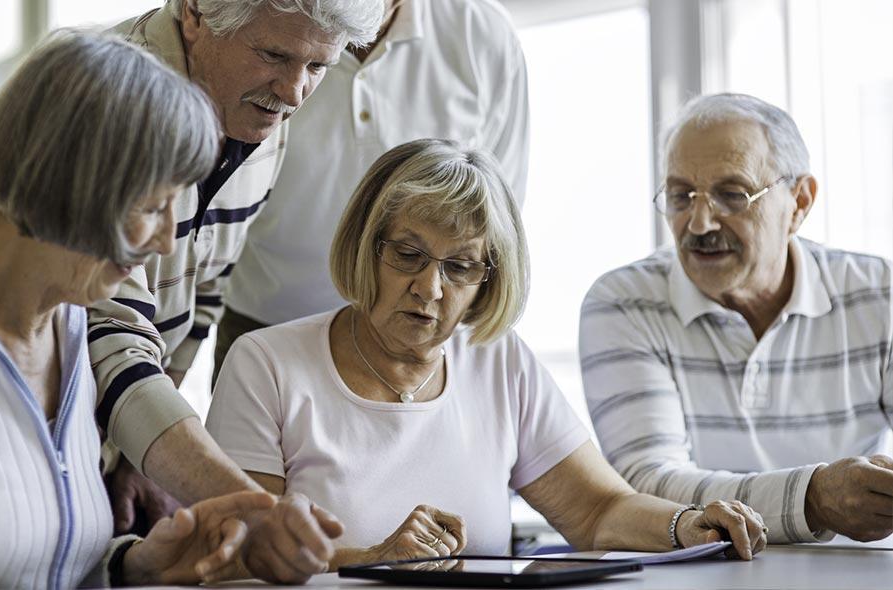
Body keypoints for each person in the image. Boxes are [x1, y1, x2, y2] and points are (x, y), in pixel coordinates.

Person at [0, 1, 383, 582]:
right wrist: (251, 510)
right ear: (194, 12)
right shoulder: (106, 111)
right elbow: (114, 348)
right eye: (273, 54)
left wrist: (134, 514)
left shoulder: (256, 106)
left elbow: (207, 287)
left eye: (317, 67)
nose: (295, 92)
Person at [207, 139, 768, 565]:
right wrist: (374, 560)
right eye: (408, 255)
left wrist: (686, 524)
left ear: (488, 281)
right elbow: (234, 556)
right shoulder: (266, 364)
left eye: (459, 267)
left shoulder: (498, 360)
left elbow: (599, 510)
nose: (429, 288)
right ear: (364, 245)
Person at [579, 93, 893, 545]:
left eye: (731, 195)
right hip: (696, 574)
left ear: (799, 202)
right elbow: (646, 484)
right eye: (680, 196)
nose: (699, 223)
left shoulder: (879, 295)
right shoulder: (624, 303)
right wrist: (812, 497)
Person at [215, 0, 530, 379]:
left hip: (422, 337)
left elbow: (499, 220)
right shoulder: (271, 15)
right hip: (267, 322)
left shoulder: (484, 34)